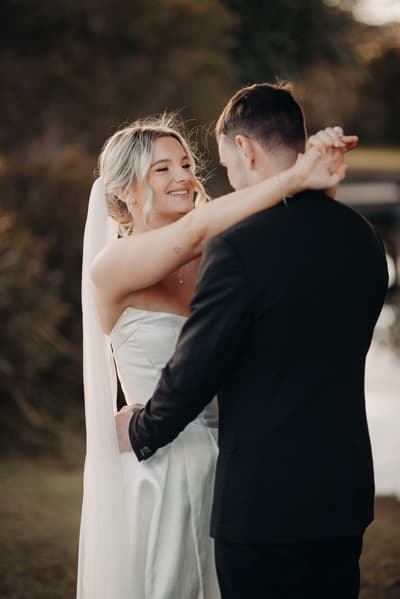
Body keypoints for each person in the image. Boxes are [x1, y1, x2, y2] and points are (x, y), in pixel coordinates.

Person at [117, 84, 389, 599]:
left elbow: (196, 368)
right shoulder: (363, 238)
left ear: (245, 150)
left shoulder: (238, 248)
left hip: (262, 506)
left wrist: (142, 429)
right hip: (343, 494)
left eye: (225, 163)